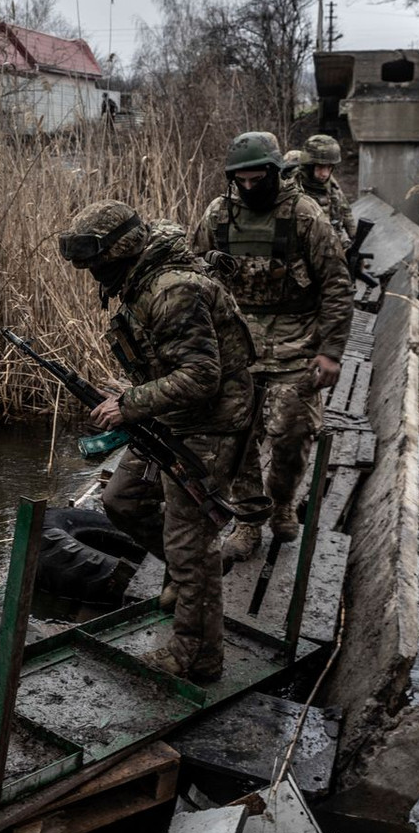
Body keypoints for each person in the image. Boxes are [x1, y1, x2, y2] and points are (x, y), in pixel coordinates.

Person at [60, 201, 256, 682]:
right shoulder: (144, 281)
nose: (92, 275)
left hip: (209, 422)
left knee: (192, 544)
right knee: (121, 499)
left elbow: (201, 376)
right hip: (172, 414)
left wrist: (129, 405)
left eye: (95, 263)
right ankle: (183, 578)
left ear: (119, 253)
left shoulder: (173, 291)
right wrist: (134, 394)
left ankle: (197, 655)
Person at [193, 131, 352, 563]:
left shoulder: (305, 215)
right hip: (236, 344)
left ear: (275, 172)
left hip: (296, 341)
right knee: (237, 437)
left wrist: (331, 350)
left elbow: (337, 284)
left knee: (290, 433)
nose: (248, 188)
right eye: (239, 180)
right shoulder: (217, 214)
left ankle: (283, 500)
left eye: (256, 178)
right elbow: (195, 274)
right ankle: (248, 519)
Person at [298, 133, 356, 243]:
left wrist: (353, 239)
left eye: (329, 167)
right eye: (320, 167)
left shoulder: (332, 186)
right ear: (309, 166)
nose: (325, 173)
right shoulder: (295, 187)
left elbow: (346, 212)